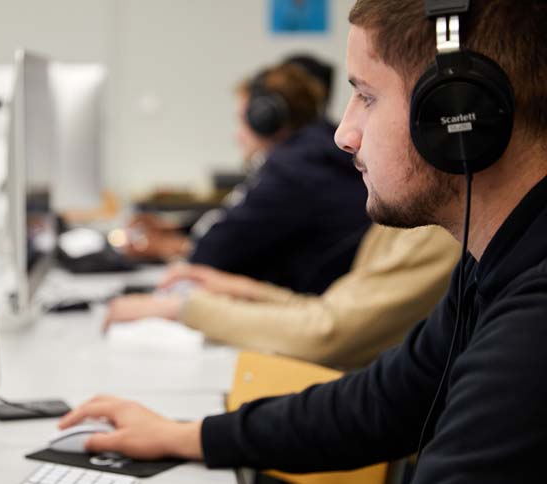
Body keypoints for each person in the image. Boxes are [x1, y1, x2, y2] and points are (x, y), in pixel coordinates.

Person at [60, 0, 547, 480]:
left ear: (454, 113)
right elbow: (384, 402)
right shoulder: (493, 262)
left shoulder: (531, 330)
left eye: (368, 97)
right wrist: (188, 437)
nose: (343, 135)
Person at [127, 59, 370, 294]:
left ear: (264, 119)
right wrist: (176, 228)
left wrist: (162, 246)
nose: (238, 137)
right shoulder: (317, 152)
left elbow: (210, 255)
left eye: (242, 121)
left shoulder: (293, 170)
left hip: (301, 307)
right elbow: (242, 222)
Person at [105, 223, 460, 369]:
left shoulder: (438, 232)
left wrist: (179, 307)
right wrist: (241, 290)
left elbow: (325, 333)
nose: (345, 133)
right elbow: (332, 312)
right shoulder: (405, 218)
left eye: (368, 98)